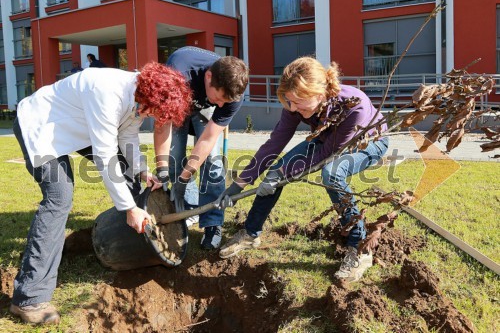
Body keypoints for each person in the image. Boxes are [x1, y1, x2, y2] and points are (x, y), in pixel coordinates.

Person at [10, 62, 192, 325]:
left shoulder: (138, 94)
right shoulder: (106, 92)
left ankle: (123, 243)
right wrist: (129, 208)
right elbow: (106, 156)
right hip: (40, 126)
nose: (153, 118)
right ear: (149, 96)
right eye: (155, 113)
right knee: (59, 197)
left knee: (129, 175)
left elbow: (127, 137)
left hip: (78, 129)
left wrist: (142, 171)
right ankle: (29, 297)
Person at [216, 57, 389, 282]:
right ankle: (250, 233)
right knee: (275, 170)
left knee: (332, 174)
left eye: (298, 102)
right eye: (289, 102)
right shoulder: (294, 102)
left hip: (369, 140)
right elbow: (275, 143)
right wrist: (239, 185)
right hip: (327, 137)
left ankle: (359, 248)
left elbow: (324, 155)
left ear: (319, 93)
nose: (292, 108)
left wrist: (283, 174)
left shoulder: (355, 105)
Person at [156, 46, 248, 250]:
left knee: (213, 164)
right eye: (219, 98)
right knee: (174, 158)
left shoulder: (233, 93)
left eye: (226, 102)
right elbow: (162, 126)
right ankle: (186, 211)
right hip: (179, 101)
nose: (222, 105)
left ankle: (212, 223)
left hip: (203, 109)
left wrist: (185, 177)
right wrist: (164, 172)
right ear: (208, 77)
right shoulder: (178, 73)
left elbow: (207, 139)